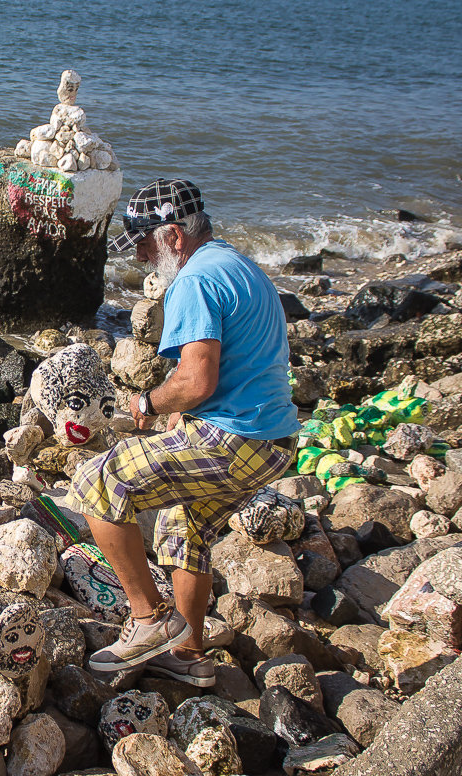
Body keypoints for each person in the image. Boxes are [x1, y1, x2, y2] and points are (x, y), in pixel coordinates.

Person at [69, 178, 299, 686]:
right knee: (184, 529)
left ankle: (150, 620)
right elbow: (241, 363)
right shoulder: (238, 266)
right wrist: (188, 413)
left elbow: (196, 379)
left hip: (236, 438)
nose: (144, 257)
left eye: (146, 244)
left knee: (97, 483)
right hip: (274, 440)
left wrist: (148, 403)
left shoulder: (194, 280)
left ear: (173, 235)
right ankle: (190, 657)